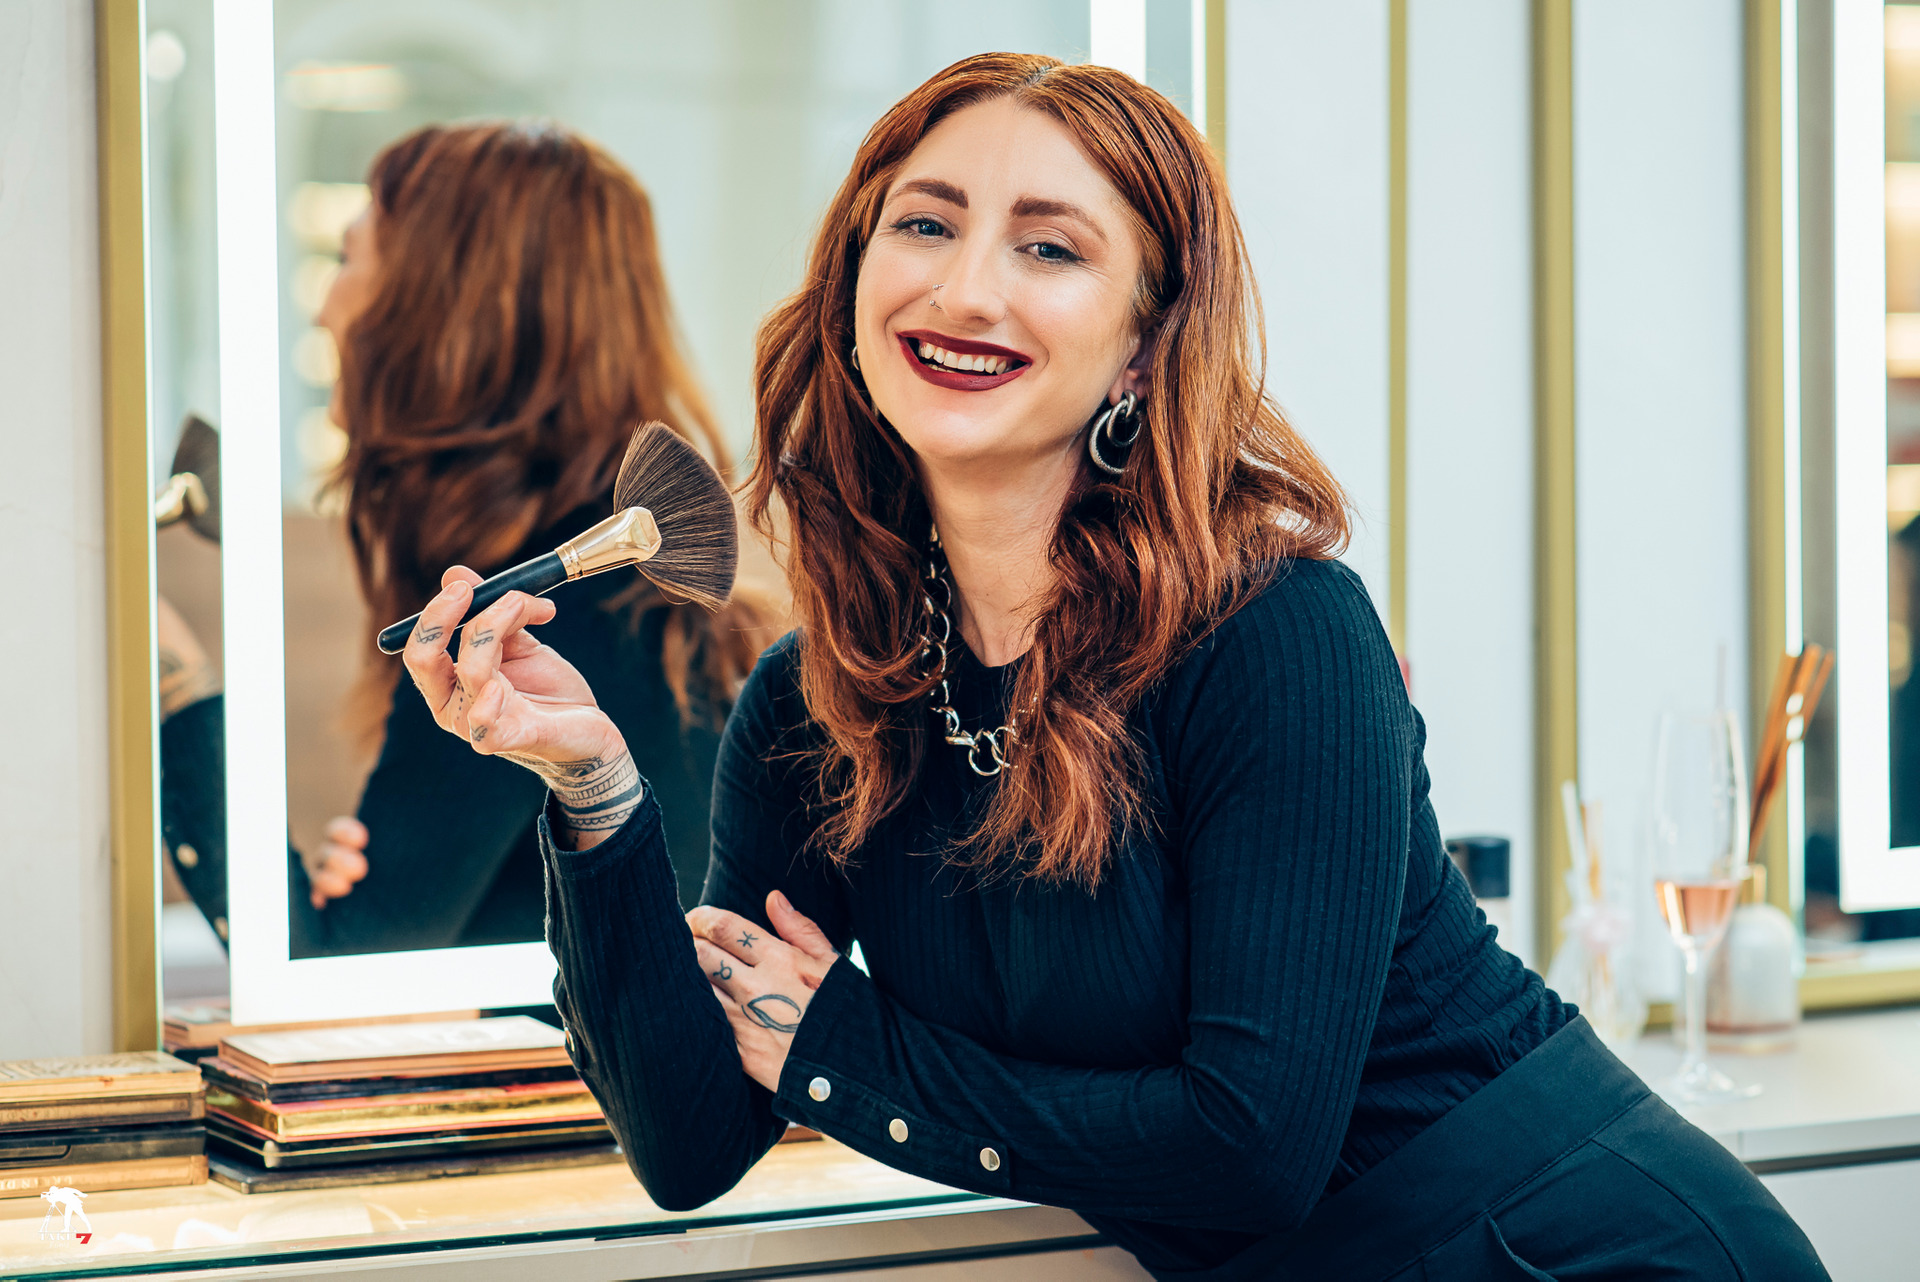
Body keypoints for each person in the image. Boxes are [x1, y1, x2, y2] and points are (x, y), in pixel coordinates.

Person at [402, 57, 1828, 1281]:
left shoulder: (1276, 631)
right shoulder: (819, 697)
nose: (965, 286)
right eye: (925, 223)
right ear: (851, 289)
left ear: (1143, 347)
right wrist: (591, 790)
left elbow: (1249, 1147)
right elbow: (692, 1140)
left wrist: (850, 1045)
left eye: (1049, 248)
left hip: (1580, 1247)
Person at [162, 120, 773, 956]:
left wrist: (175, 680)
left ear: (434, 307)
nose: (323, 305)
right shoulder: (633, 599)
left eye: (346, 258)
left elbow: (330, 975)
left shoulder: (525, 622)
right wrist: (389, 891)